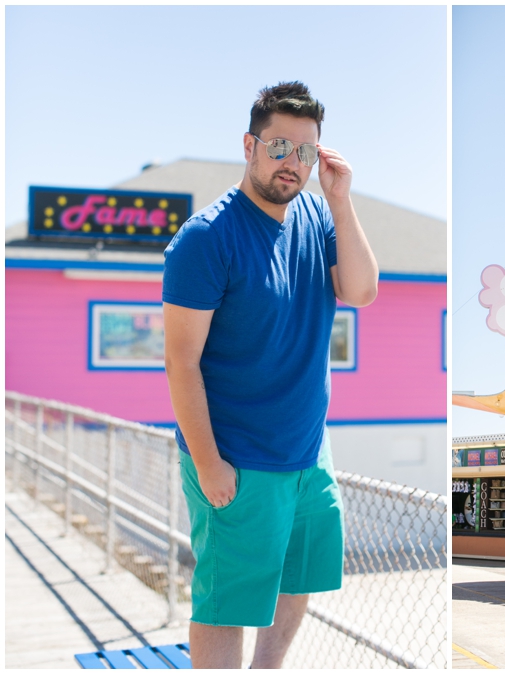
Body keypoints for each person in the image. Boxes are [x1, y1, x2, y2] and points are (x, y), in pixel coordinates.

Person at [163, 81, 378, 669]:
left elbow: (361, 290)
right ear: (250, 144)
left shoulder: (315, 213)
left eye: (306, 151)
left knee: (299, 573)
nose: (293, 162)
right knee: (226, 605)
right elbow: (180, 361)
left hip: (307, 451)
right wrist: (208, 464)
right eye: (279, 145)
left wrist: (340, 199)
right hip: (236, 456)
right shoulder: (206, 239)